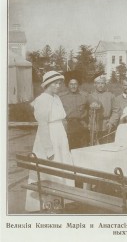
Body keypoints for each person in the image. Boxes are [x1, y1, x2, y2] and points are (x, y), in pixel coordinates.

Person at [26, 71, 73, 212]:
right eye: (55, 83)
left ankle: (60, 201)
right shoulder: (42, 99)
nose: (58, 85)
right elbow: (43, 125)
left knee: (61, 167)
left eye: (60, 83)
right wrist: (48, 149)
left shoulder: (56, 97)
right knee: (50, 169)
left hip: (59, 136)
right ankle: (47, 204)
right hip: (49, 137)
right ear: (47, 84)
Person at [59, 71, 89, 149]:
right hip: (68, 127)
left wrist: (95, 103)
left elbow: (94, 101)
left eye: (75, 84)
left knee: (82, 150)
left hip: (81, 126)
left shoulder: (85, 95)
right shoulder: (61, 97)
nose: (73, 86)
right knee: (68, 149)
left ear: (78, 84)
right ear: (67, 85)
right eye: (71, 84)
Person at [88, 75, 120, 144]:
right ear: (94, 84)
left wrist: (111, 122)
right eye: (98, 83)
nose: (100, 85)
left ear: (105, 84)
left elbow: (116, 111)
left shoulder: (110, 95)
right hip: (94, 126)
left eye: (102, 83)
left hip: (106, 125)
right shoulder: (90, 96)